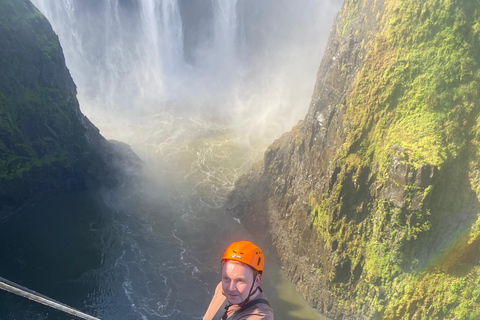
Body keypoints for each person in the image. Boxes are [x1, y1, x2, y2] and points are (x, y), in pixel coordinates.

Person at [203, 240, 274, 320]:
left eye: (240, 280)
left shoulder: (260, 316)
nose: (231, 288)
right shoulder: (221, 288)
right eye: (227, 278)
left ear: (256, 281)